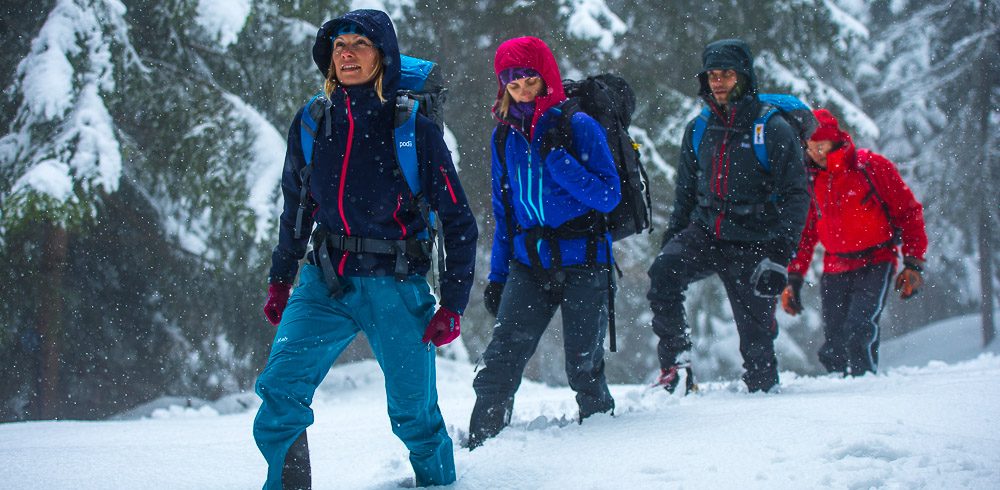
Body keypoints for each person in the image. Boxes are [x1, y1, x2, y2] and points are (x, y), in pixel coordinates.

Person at [253, 9, 477, 489]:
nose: (347, 53)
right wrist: (281, 276)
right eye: (338, 46)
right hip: (325, 279)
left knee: (414, 416)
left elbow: (458, 219)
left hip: (395, 283)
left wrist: (453, 303)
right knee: (279, 390)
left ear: (384, 56)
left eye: (360, 44)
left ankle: (438, 483)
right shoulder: (314, 121)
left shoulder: (411, 127)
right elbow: (297, 206)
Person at [469, 36, 621, 449]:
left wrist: (559, 161)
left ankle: (605, 451)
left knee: (583, 367)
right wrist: (498, 276)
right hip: (528, 263)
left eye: (528, 81)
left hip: (585, 260)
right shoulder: (504, 137)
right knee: (499, 363)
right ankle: (481, 449)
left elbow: (609, 195)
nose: (520, 91)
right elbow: (505, 215)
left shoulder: (578, 126)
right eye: (511, 83)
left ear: (545, 78)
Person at [646, 39, 810, 394]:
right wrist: (672, 239)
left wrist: (780, 255)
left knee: (757, 345)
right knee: (663, 273)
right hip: (707, 234)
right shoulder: (699, 128)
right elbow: (685, 193)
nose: (718, 82)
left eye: (727, 74)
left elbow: (798, 194)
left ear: (745, 77)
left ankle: (763, 404)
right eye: (712, 75)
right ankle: (676, 368)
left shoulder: (772, 129)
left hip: (755, 243)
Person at [781, 108, 927, 376]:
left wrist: (913, 262)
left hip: (877, 261)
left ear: (835, 140)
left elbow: (909, 212)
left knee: (860, 327)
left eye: (821, 146)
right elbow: (806, 233)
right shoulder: (811, 180)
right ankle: (839, 388)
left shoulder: (871, 168)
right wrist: (794, 278)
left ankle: (863, 384)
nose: (816, 154)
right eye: (810, 148)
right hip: (836, 266)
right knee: (834, 339)